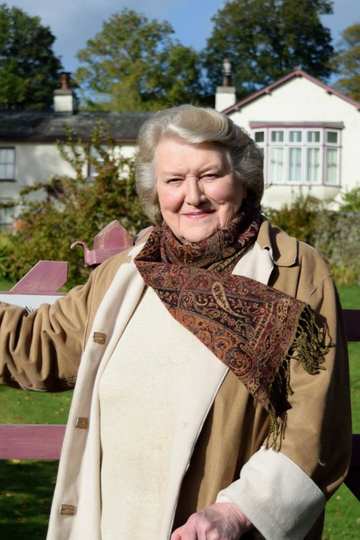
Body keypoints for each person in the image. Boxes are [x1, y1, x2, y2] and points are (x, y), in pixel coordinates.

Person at [0, 105, 351, 540]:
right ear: (155, 191)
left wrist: (239, 512)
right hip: (111, 521)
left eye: (209, 175)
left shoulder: (294, 272)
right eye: (174, 180)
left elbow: (314, 425)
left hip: (211, 528)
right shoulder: (127, 272)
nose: (193, 195)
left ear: (242, 178)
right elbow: (41, 346)